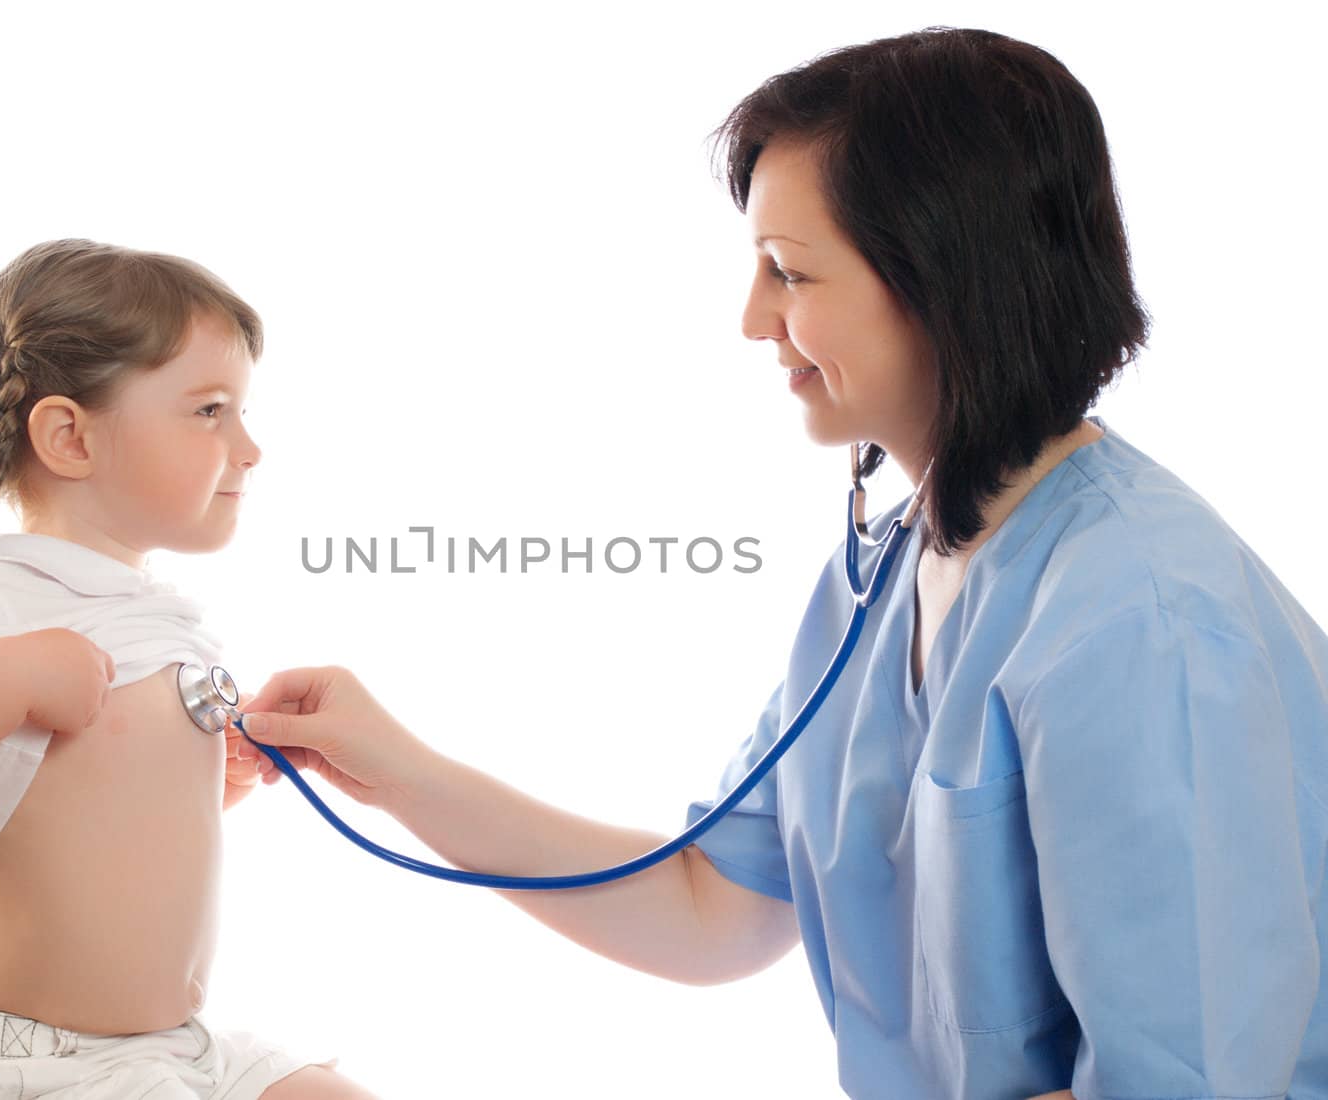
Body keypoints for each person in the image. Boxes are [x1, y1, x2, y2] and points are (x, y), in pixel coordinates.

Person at [230, 27, 1328, 1100]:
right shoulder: (893, 569)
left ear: (949, 278)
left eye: (788, 272)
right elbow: (712, 907)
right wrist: (398, 770)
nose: (752, 319)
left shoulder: (1144, 616)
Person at [0, 240, 379, 1099]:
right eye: (212, 410)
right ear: (70, 435)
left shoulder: (149, 615)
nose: (250, 448)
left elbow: (68, 815)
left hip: (177, 1048)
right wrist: (9, 676)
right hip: (38, 1065)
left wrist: (214, 781)